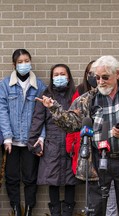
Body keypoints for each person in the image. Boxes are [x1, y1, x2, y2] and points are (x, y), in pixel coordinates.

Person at [35, 55, 119, 216]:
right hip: (97, 160)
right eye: (97, 77)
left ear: (117, 74)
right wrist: (54, 109)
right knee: (95, 209)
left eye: (105, 77)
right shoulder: (87, 99)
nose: (100, 81)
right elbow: (71, 124)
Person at [65, 60, 118, 216]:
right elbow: (71, 122)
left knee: (113, 195)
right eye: (92, 75)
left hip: (115, 154)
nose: (98, 80)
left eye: (102, 76)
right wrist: (74, 147)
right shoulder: (81, 95)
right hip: (91, 154)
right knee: (94, 200)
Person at [0, 49, 46, 216]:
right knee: (11, 177)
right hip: (10, 141)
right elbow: (2, 111)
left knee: (30, 177)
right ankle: (15, 208)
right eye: (20, 62)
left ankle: (28, 210)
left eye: (26, 60)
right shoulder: (5, 85)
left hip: (30, 140)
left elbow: (44, 115)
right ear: (14, 65)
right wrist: (7, 137)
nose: (24, 64)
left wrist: (41, 137)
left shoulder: (40, 86)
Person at [27, 64, 77, 216]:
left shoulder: (75, 95)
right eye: (56, 74)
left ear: (68, 77)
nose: (59, 77)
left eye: (62, 74)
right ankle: (55, 212)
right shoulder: (46, 95)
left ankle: (68, 212)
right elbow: (37, 119)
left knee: (71, 180)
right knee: (52, 180)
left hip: (71, 143)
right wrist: (33, 143)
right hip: (52, 144)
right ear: (51, 77)